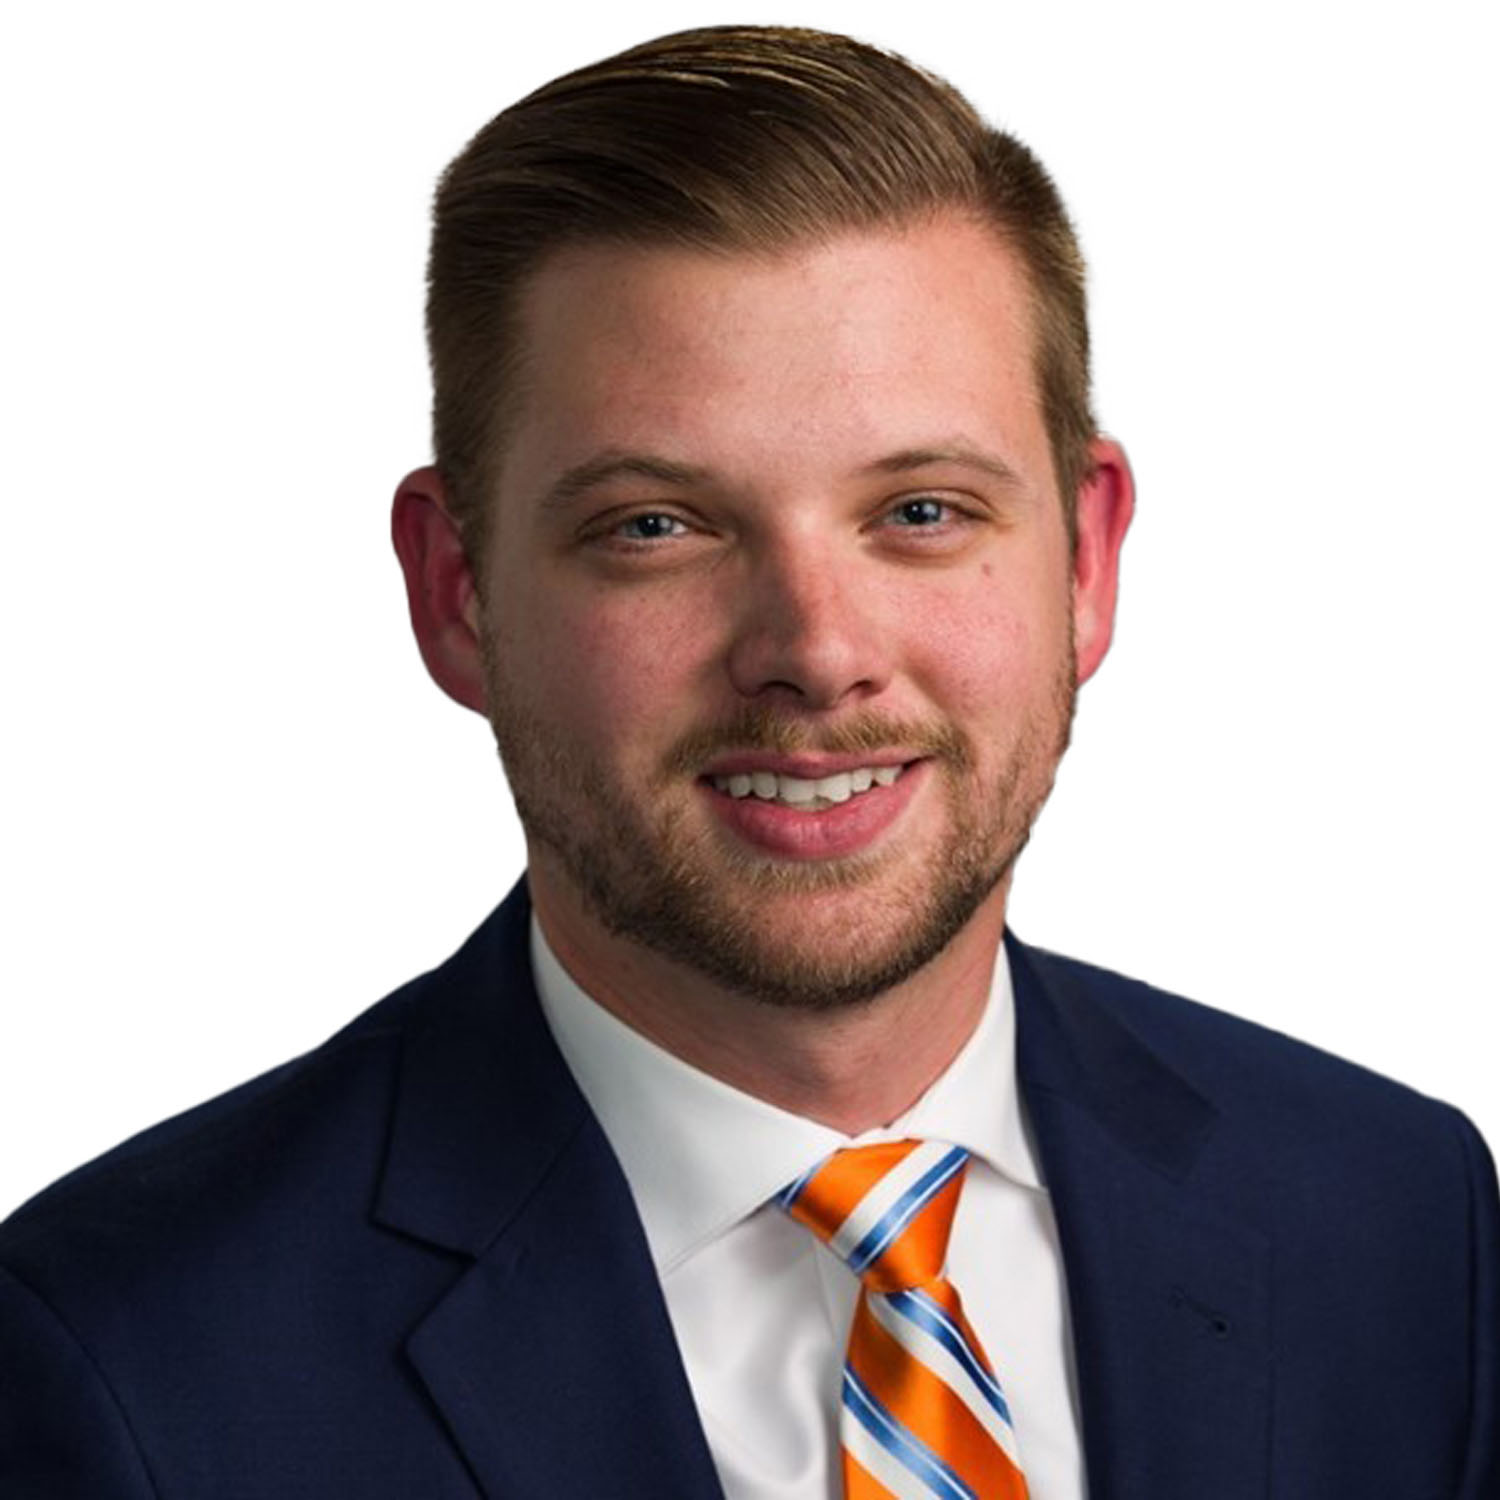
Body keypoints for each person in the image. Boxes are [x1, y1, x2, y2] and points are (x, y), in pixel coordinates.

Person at [1, 23, 1494, 1498]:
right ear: (457, 594)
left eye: (921, 512)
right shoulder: (117, 1366)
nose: (817, 651)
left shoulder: (1406, 1223)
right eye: (656, 526)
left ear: (1086, 562)